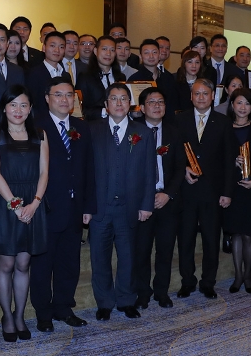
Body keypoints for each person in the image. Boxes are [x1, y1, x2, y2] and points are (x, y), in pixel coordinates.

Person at [86, 82, 156, 321]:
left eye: (123, 99)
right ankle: (104, 302)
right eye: (113, 99)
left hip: (130, 207)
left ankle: (127, 300)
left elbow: (149, 172)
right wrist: (86, 206)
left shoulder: (144, 133)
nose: (118, 103)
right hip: (100, 208)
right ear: (106, 105)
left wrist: (147, 204)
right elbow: (85, 172)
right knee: (100, 257)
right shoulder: (92, 130)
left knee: (128, 257)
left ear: (130, 104)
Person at [0, 85, 49, 340]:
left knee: (24, 263)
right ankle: (7, 316)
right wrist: (15, 205)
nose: (18, 110)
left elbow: (44, 173)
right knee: (7, 263)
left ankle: (20, 315)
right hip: (4, 203)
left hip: (34, 203)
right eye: (13, 105)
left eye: (23, 105)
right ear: (4, 108)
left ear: (30, 108)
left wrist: (34, 203)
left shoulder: (40, 135)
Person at [30, 79, 91, 331]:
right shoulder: (35, 127)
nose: (65, 100)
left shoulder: (82, 127)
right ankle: (43, 313)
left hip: (75, 208)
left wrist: (88, 206)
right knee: (43, 264)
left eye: (69, 95)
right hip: (46, 208)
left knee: (69, 263)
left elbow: (89, 169)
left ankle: (64, 307)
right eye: (58, 95)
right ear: (47, 98)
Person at [175, 78, 235, 300]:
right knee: (186, 240)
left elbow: (229, 160)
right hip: (186, 191)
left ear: (213, 97)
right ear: (191, 96)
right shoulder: (178, 120)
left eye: (205, 94)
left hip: (213, 193)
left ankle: (208, 282)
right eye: (196, 93)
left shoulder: (223, 122)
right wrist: (183, 171)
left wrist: (227, 192)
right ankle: (187, 281)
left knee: (211, 240)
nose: (201, 97)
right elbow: (173, 156)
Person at [133, 87, 185, 309]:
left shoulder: (175, 132)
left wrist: (168, 194)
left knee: (165, 250)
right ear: (142, 107)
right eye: (151, 102)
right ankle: (142, 293)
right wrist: (144, 197)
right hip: (142, 202)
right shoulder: (133, 133)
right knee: (141, 251)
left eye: (161, 102)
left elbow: (180, 168)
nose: (157, 106)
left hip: (167, 201)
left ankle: (161, 292)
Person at [222, 88, 251, 294]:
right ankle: (238, 275)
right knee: (236, 234)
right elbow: (218, 159)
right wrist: (232, 161)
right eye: (239, 103)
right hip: (232, 188)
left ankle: (248, 275)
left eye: (247, 103)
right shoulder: (224, 128)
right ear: (232, 105)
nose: (243, 107)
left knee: (249, 235)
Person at [24, 31, 72, 122]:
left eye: (61, 47)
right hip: (40, 123)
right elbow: (31, 103)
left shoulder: (66, 75)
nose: (57, 50)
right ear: (44, 48)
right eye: (52, 46)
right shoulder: (33, 74)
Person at [76, 36, 125, 121]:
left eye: (112, 50)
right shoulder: (85, 77)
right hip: (95, 127)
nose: (108, 53)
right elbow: (80, 110)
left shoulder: (121, 77)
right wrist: (104, 111)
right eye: (104, 49)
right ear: (95, 51)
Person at [128, 39, 179, 116]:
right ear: (141, 57)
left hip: (166, 124)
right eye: (146, 53)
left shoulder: (169, 78)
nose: (151, 56)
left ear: (159, 56)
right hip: (141, 125)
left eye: (154, 52)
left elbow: (173, 105)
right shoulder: (134, 79)